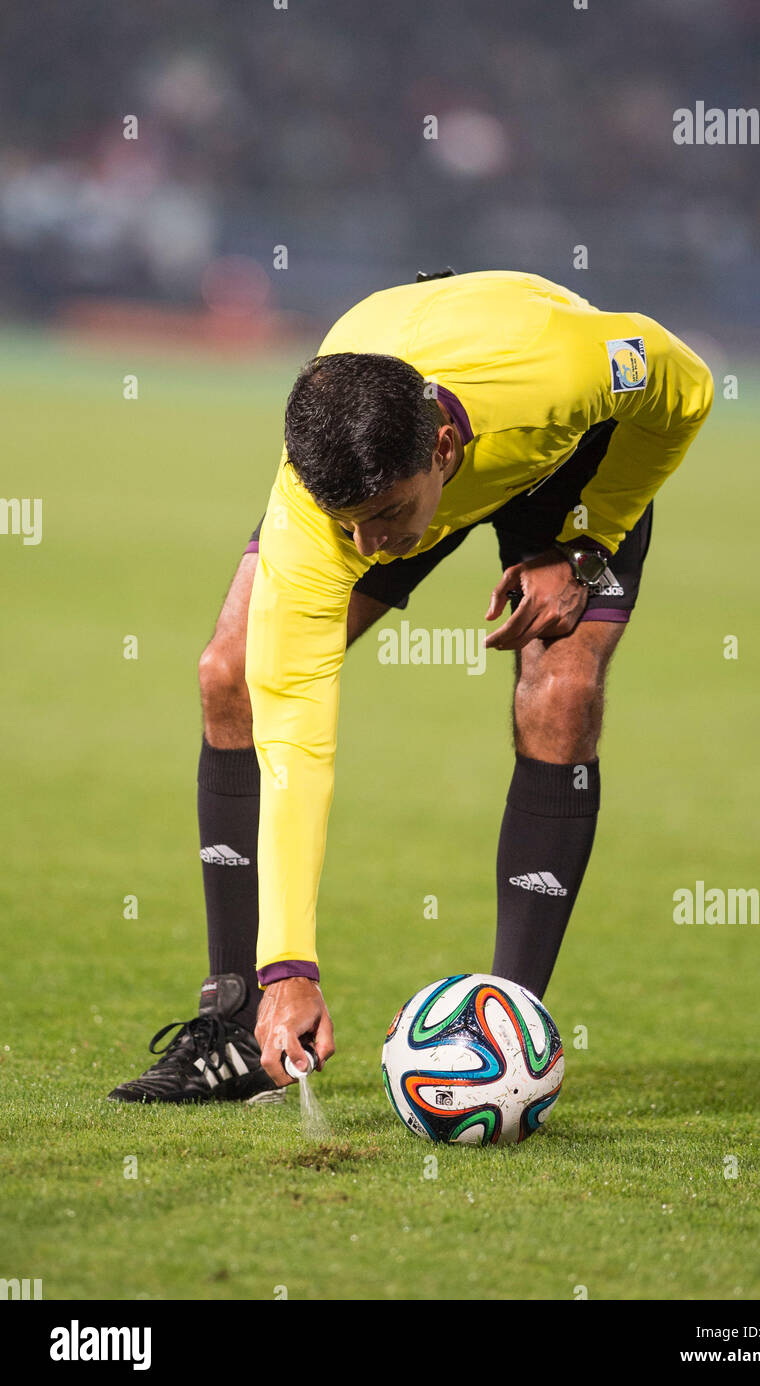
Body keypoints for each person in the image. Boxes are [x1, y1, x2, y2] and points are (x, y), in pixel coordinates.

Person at [109, 269, 712, 1104]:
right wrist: (290, 964)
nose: (368, 543)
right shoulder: (324, 516)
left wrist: (588, 541)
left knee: (561, 692)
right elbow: (297, 740)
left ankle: (511, 1035)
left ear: (442, 451)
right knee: (232, 678)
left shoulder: (562, 369)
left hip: (565, 466)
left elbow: (686, 390)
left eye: (383, 518)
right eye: (347, 523)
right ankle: (241, 1020)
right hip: (401, 448)